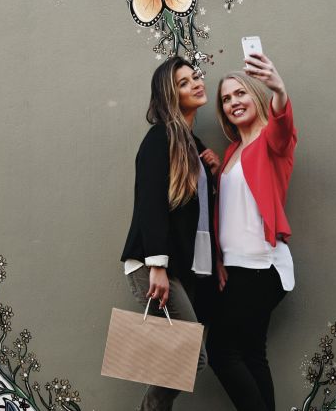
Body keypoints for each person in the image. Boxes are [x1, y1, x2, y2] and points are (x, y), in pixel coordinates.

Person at [120, 57, 221, 411]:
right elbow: (150, 204)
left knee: (173, 363)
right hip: (153, 266)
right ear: (168, 94)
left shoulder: (192, 142)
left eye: (195, 77)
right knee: (191, 360)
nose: (195, 83)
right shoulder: (159, 138)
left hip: (178, 266)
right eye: (183, 82)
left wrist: (213, 176)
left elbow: (194, 214)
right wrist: (157, 266)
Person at [208, 52, 297, 411]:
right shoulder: (231, 151)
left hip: (260, 266)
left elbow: (282, 126)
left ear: (256, 97)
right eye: (226, 99)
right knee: (250, 354)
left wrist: (278, 88)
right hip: (237, 266)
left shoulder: (272, 141)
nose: (233, 102)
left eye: (240, 93)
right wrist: (216, 172)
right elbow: (235, 208)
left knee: (221, 352)